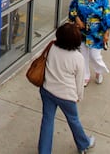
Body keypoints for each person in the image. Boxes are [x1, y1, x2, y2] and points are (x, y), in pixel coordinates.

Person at [38, 22, 95, 154]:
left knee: (47, 120)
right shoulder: (78, 58)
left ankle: (44, 151)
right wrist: (79, 96)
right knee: (73, 120)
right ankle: (84, 144)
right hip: (66, 95)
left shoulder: (52, 47)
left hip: (47, 90)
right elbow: (79, 81)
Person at [69, 0, 110, 85]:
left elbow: (107, 16)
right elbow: (72, 8)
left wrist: (106, 33)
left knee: (95, 56)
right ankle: (85, 76)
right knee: (83, 55)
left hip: (97, 33)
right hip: (82, 32)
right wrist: (76, 19)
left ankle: (99, 71)